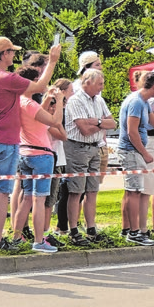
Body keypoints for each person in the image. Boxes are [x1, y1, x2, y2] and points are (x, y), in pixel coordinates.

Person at [0, 37, 60, 249]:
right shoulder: (7, 78)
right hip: (5, 138)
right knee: (2, 190)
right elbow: (40, 85)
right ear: (4, 54)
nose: (14, 55)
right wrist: (52, 61)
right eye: (12, 52)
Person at [7, 67, 65, 253]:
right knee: (39, 200)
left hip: (25, 153)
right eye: (37, 80)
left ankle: (17, 235)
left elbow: (36, 117)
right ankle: (39, 240)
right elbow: (54, 121)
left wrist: (47, 99)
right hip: (41, 154)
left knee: (27, 198)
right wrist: (61, 102)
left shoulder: (19, 102)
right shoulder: (29, 103)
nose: (41, 83)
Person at [64, 68, 115, 245]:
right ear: (87, 82)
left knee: (93, 189)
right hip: (78, 147)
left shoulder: (99, 100)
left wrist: (98, 122)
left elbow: (112, 122)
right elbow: (83, 130)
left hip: (95, 147)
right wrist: (101, 124)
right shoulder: (75, 100)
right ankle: (73, 229)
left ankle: (91, 228)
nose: (102, 87)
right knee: (76, 190)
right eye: (99, 83)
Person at [117, 71, 154, 246]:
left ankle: (130, 229)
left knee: (133, 191)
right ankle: (134, 232)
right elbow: (132, 131)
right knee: (134, 191)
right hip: (131, 151)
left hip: (134, 151)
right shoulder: (136, 102)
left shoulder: (143, 102)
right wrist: (144, 152)